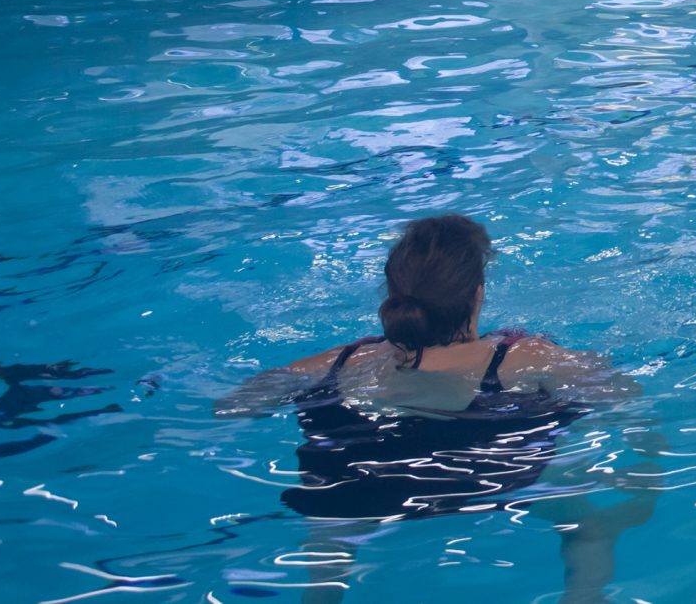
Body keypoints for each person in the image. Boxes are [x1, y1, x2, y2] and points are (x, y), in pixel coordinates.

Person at [216, 215, 650, 599]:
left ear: (392, 295)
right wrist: (647, 476)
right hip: (486, 478)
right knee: (585, 521)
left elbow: (230, 410)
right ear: (478, 295)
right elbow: (628, 402)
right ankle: (586, 595)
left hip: (353, 485)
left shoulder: (334, 362)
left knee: (331, 533)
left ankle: (320, 591)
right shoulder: (526, 358)